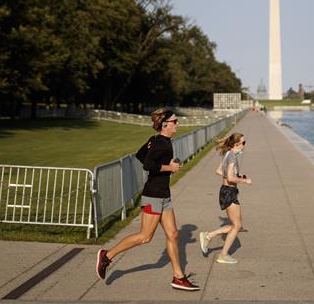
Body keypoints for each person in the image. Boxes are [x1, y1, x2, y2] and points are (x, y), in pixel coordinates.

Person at [95, 108, 200, 291]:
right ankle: (107, 255)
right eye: (175, 121)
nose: (178, 124)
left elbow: (140, 154)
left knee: (173, 234)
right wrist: (170, 168)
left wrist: (166, 166)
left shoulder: (159, 141)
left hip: (164, 195)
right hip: (153, 196)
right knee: (145, 237)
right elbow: (148, 164)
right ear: (165, 124)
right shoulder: (160, 142)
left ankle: (178, 277)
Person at [199, 132, 252, 264]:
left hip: (227, 191)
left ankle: (209, 236)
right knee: (237, 225)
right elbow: (229, 177)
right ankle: (221, 252)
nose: (244, 145)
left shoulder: (228, 154)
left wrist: (237, 176)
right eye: (243, 143)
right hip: (229, 192)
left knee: (237, 225)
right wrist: (244, 181)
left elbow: (218, 171)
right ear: (237, 144)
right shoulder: (232, 156)